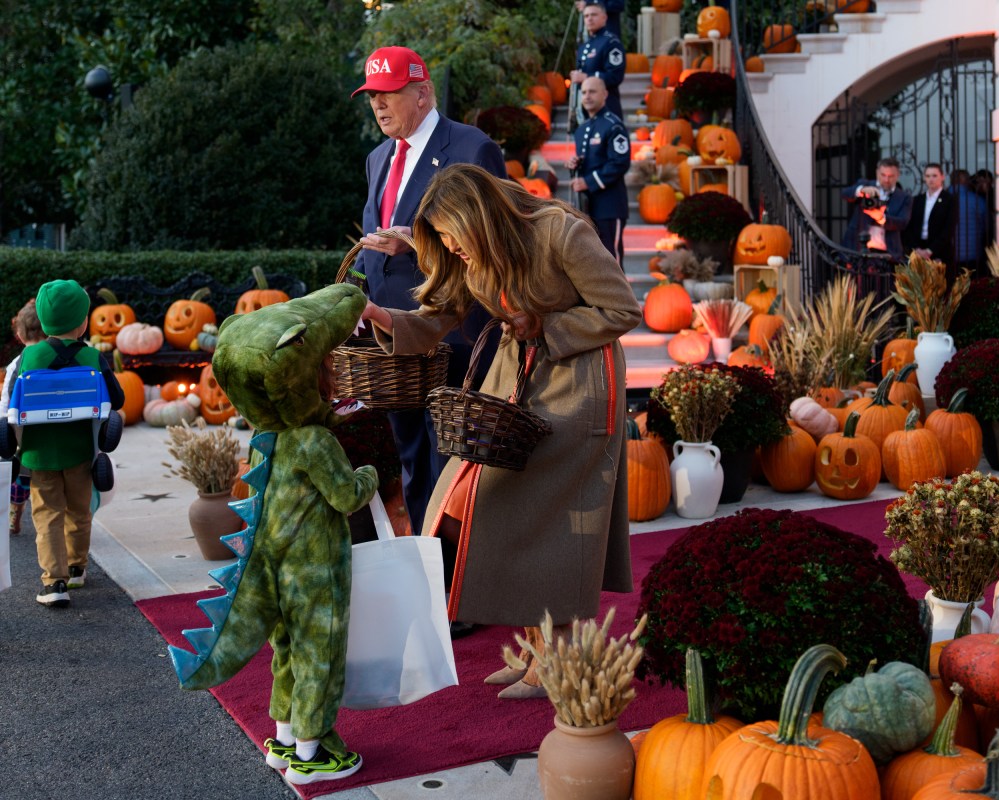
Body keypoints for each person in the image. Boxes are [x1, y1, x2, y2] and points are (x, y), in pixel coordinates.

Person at [361, 164, 641, 700]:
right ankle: (539, 651)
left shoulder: (563, 232)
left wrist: (547, 325)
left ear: (479, 219)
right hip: (514, 383)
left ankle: (554, 659)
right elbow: (438, 315)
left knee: (551, 523)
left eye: (451, 235)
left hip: (578, 387)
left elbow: (622, 308)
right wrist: (381, 314)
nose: (449, 247)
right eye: (440, 238)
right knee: (486, 505)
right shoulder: (473, 254)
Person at [170, 285, 378, 786]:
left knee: (285, 650)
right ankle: (314, 750)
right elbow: (347, 496)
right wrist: (368, 474)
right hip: (314, 571)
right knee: (319, 654)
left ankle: (284, 738)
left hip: (274, 567)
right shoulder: (314, 442)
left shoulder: (268, 439)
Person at [350, 46, 507, 549]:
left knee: (453, 462)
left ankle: (461, 587)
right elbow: (373, 246)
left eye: (389, 93)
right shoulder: (378, 158)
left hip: (457, 335)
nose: (379, 105)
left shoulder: (471, 147)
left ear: (423, 93)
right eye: (372, 95)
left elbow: (496, 243)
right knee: (412, 458)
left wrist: (418, 243)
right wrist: (357, 299)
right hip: (395, 339)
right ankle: (428, 574)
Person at [19, 280, 124, 608]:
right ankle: (77, 567)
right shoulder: (93, 357)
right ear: (82, 323)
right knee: (79, 510)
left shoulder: (30, 357)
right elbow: (118, 399)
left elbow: (15, 403)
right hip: (80, 451)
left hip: (39, 454)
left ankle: (54, 583)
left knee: (48, 514)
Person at [566, 77, 631, 266]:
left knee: (612, 261)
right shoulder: (583, 129)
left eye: (592, 92)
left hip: (610, 205)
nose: (587, 96)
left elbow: (620, 162)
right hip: (588, 206)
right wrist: (575, 164)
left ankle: (621, 297)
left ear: (605, 94)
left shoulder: (613, 125)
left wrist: (589, 182)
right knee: (596, 263)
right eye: (584, 92)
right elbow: (591, 161)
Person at [1, 300, 44, 535]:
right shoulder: (54, 359)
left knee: (21, 479)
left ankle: (15, 513)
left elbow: (6, 404)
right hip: (54, 432)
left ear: (19, 333)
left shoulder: (17, 364)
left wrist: (5, 432)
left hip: (25, 437)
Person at [840, 156, 912, 260]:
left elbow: (903, 222)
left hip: (888, 253)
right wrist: (862, 190)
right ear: (877, 173)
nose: (886, 179)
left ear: (898, 175)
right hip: (859, 249)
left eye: (891, 176)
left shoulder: (904, 197)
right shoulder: (865, 184)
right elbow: (844, 193)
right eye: (883, 175)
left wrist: (881, 218)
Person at [570, 2, 625, 121]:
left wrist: (586, 77)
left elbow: (615, 76)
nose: (589, 19)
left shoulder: (611, 42)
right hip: (586, 111)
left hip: (607, 108)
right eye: (586, 16)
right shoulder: (584, 46)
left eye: (594, 15)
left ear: (604, 18)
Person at [902, 163, 956, 265]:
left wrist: (930, 251)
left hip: (940, 251)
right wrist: (917, 249)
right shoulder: (918, 200)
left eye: (934, 176)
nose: (931, 179)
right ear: (924, 178)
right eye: (928, 176)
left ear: (942, 177)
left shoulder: (949, 200)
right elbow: (909, 226)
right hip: (918, 250)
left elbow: (948, 229)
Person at [951, 168, 988, 274]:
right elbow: (986, 226)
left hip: (949, 254)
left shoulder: (944, 198)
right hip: (973, 253)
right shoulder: (977, 200)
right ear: (965, 181)